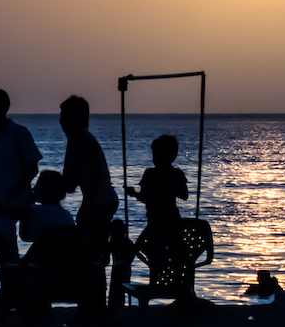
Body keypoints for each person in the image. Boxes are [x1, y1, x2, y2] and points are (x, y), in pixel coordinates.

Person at [0, 89, 42, 275]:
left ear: (1, 107)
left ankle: (12, 289)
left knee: (5, 246)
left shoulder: (19, 133)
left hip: (14, 205)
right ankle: (12, 290)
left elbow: (32, 168)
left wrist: (13, 192)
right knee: (3, 251)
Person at [125, 134, 189, 264]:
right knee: (172, 257)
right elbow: (184, 195)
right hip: (173, 220)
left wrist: (133, 193)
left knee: (154, 257)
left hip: (155, 224)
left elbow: (146, 198)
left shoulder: (150, 174)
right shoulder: (177, 174)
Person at [60, 96, 119, 236]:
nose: (61, 122)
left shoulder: (81, 140)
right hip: (102, 201)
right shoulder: (79, 139)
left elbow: (94, 177)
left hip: (100, 202)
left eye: (63, 116)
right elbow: (71, 181)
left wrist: (87, 207)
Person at [22, 171, 75, 242]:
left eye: (37, 185)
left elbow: (26, 236)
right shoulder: (66, 215)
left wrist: (26, 201)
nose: (34, 189)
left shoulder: (35, 211)